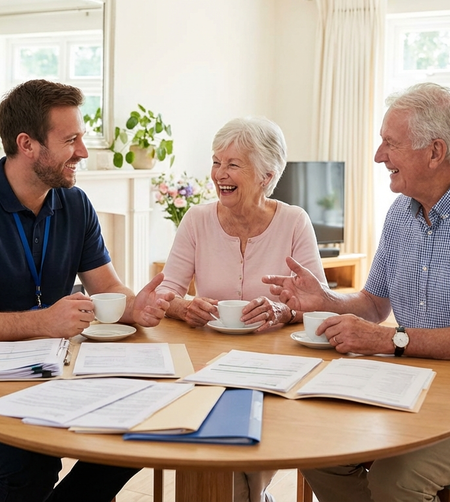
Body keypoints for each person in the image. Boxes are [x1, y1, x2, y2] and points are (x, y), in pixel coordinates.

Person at [263, 82, 450, 501]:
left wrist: (390, 340)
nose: (379, 156)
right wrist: (325, 301)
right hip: (419, 386)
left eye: (390, 144)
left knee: (397, 479)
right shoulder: (401, 212)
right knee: (319, 450)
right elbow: (374, 304)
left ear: (434, 151)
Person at [0, 79, 173, 502]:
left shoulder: (74, 204)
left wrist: (134, 307)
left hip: (49, 368)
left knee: (135, 427)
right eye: (70, 139)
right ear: (27, 144)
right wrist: (44, 321)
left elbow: (107, 286)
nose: (84, 152)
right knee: (30, 461)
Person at [157, 116, 326, 502]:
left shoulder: (295, 222)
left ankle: (254, 492)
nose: (220, 174)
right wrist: (185, 307)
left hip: (275, 365)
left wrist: (284, 311)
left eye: (233, 164)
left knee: (252, 445)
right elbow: (167, 292)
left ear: (267, 175)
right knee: (226, 458)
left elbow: (320, 303)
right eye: (217, 162)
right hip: (207, 364)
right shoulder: (197, 220)